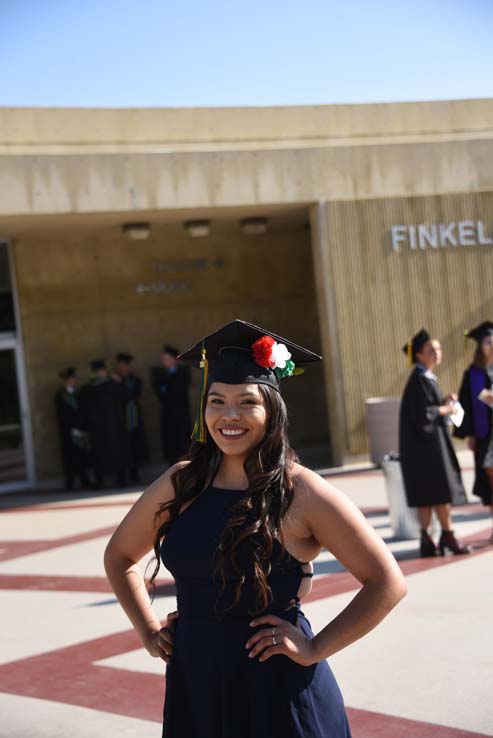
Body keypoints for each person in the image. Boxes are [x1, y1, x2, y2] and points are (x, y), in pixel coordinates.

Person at [105, 319, 406, 738]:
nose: (229, 416)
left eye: (247, 402)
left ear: (272, 411)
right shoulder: (181, 483)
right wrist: (149, 630)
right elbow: (119, 557)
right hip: (197, 686)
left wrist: (316, 647)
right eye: (216, 401)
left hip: (278, 692)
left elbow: (386, 581)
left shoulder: (299, 490)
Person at [399, 329, 469, 557]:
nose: (437, 353)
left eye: (438, 349)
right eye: (431, 350)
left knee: (428, 496)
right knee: (438, 494)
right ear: (419, 354)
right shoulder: (419, 379)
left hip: (426, 449)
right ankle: (446, 535)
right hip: (428, 450)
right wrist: (447, 408)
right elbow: (423, 414)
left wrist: (444, 402)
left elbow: (428, 408)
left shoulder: (424, 378)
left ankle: (428, 540)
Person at [454, 321, 493, 542]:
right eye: (487, 342)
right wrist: (469, 433)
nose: (491, 346)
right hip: (486, 437)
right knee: (490, 482)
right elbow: (466, 404)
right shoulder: (473, 373)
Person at [79, 359, 130, 489]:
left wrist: (119, 382)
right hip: (102, 427)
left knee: (115, 452)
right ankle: (104, 480)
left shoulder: (107, 385)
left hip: (109, 426)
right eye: (99, 371)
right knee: (102, 454)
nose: (100, 373)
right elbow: (83, 409)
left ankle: (117, 479)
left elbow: (126, 396)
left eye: (101, 371)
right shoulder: (89, 388)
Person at [151, 345, 191, 466]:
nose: (165, 362)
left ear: (174, 359)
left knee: (182, 438)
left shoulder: (182, 373)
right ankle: (171, 463)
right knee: (170, 439)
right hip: (167, 412)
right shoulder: (162, 375)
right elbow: (159, 392)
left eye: (167, 359)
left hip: (180, 412)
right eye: (163, 359)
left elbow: (178, 390)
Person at [54, 367, 91, 490]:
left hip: (81, 431)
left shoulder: (79, 393)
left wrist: (82, 427)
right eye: (72, 378)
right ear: (67, 380)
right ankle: (70, 484)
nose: (74, 380)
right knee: (70, 458)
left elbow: (83, 411)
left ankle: (85, 481)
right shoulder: (60, 395)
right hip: (68, 432)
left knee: (82, 456)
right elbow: (62, 414)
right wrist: (73, 428)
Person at [115, 353, 149, 483]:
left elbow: (132, 395)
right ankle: (121, 477)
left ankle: (134, 474)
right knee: (121, 448)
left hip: (134, 419)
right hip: (119, 420)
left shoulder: (135, 380)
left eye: (124, 366)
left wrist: (121, 385)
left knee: (135, 446)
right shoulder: (114, 381)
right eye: (120, 366)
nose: (122, 368)